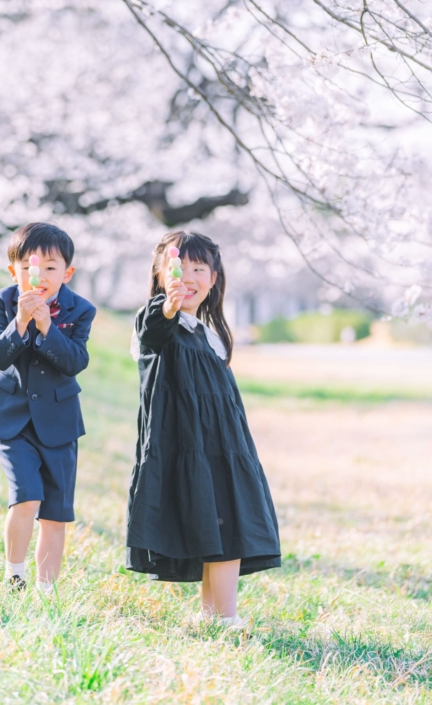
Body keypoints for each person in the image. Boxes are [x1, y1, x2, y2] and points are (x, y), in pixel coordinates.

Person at [126, 230, 281, 627]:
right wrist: (167, 309)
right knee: (221, 530)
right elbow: (151, 332)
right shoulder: (159, 321)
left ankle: (213, 616)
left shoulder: (209, 333)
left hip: (224, 448)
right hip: (187, 446)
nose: (190, 277)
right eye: (179, 268)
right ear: (162, 276)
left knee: (224, 529)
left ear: (214, 279)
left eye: (200, 268)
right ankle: (226, 619)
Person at [0, 222, 96, 593]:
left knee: (56, 513)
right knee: (26, 496)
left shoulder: (81, 309)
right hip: (12, 418)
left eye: (51, 267)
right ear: (14, 271)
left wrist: (48, 327)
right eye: (30, 267)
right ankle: (15, 574)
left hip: (59, 422)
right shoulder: (4, 300)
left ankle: (47, 590)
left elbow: (75, 361)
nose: (39, 276)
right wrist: (22, 321)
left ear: (67, 272)